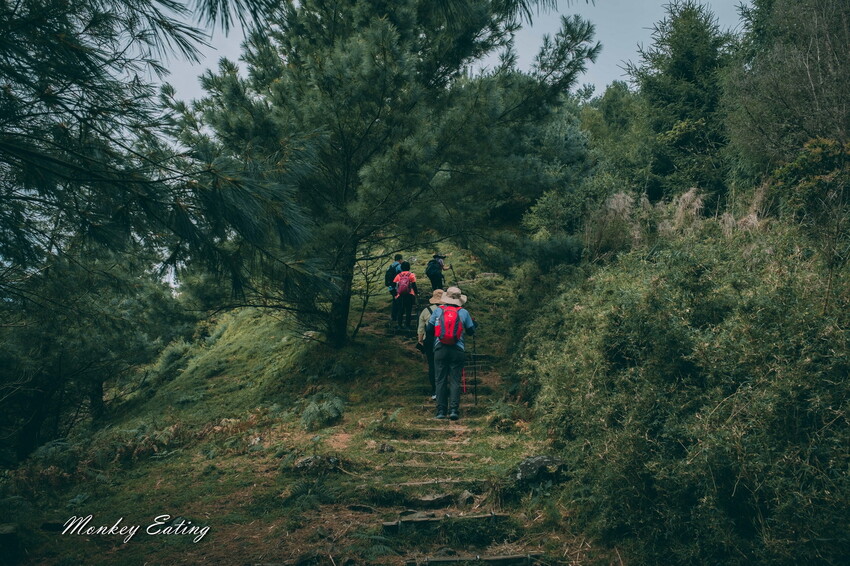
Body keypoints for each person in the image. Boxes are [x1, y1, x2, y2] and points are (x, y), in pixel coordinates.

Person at [427, 286, 476, 420]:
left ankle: (441, 411)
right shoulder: (464, 312)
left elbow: (429, 329)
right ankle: (454, 410)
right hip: (457, 349)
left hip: (440, 348)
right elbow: (471, 331)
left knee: (440, 380)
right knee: (455, 380)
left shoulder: (438, 311)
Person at [417, 289, 444, 400]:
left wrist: (420, 340)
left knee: (432, 365)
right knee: (443, 365)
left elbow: (421, 327)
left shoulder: (426, 310)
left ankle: (434, 391)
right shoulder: (447, 310)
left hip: (429, 340)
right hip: (443, 339)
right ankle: (444, 389)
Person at [392, 261, 418, 330]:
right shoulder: (411, 275)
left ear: (401, 268)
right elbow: (414, 285)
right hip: (409, 295)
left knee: (400, 310)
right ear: (409, 267)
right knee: (408, 311)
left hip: (400, 295)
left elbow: (393, 285)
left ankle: (399, 325)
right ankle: (407, 326)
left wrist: (395, 294)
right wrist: (416, 293)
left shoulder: (398, 275)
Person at [384, 254, 403, 324]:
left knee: (395, 300)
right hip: (397, 287)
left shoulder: (390, 266)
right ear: (400, 259)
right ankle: (397, 317)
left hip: (391, 287)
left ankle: (393, 316)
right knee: (399, 302)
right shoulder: (399, 266)